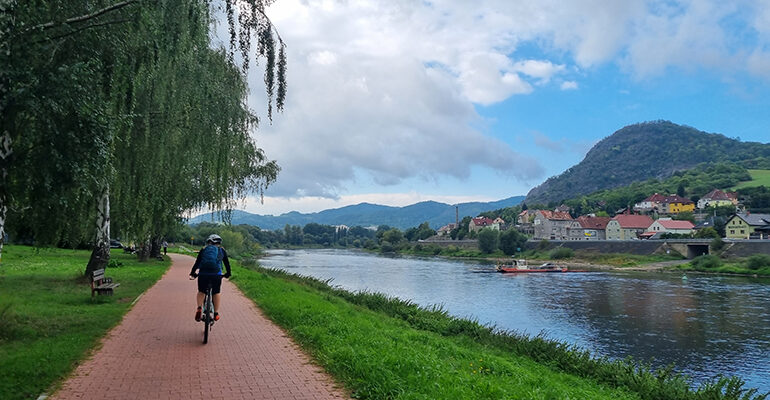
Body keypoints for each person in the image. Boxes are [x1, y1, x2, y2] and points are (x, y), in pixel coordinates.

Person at [189, 234, 231, 322]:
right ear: (218, 243)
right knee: (216, 292)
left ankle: (199, 308)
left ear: (208, 242)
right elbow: (227, 264)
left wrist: (193, 273)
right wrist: (228, 274)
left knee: (201, 291)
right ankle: (216, 313)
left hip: (203, 274)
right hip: (216, 274)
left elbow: (197, 263)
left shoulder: (204, 249)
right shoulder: (221, 250)